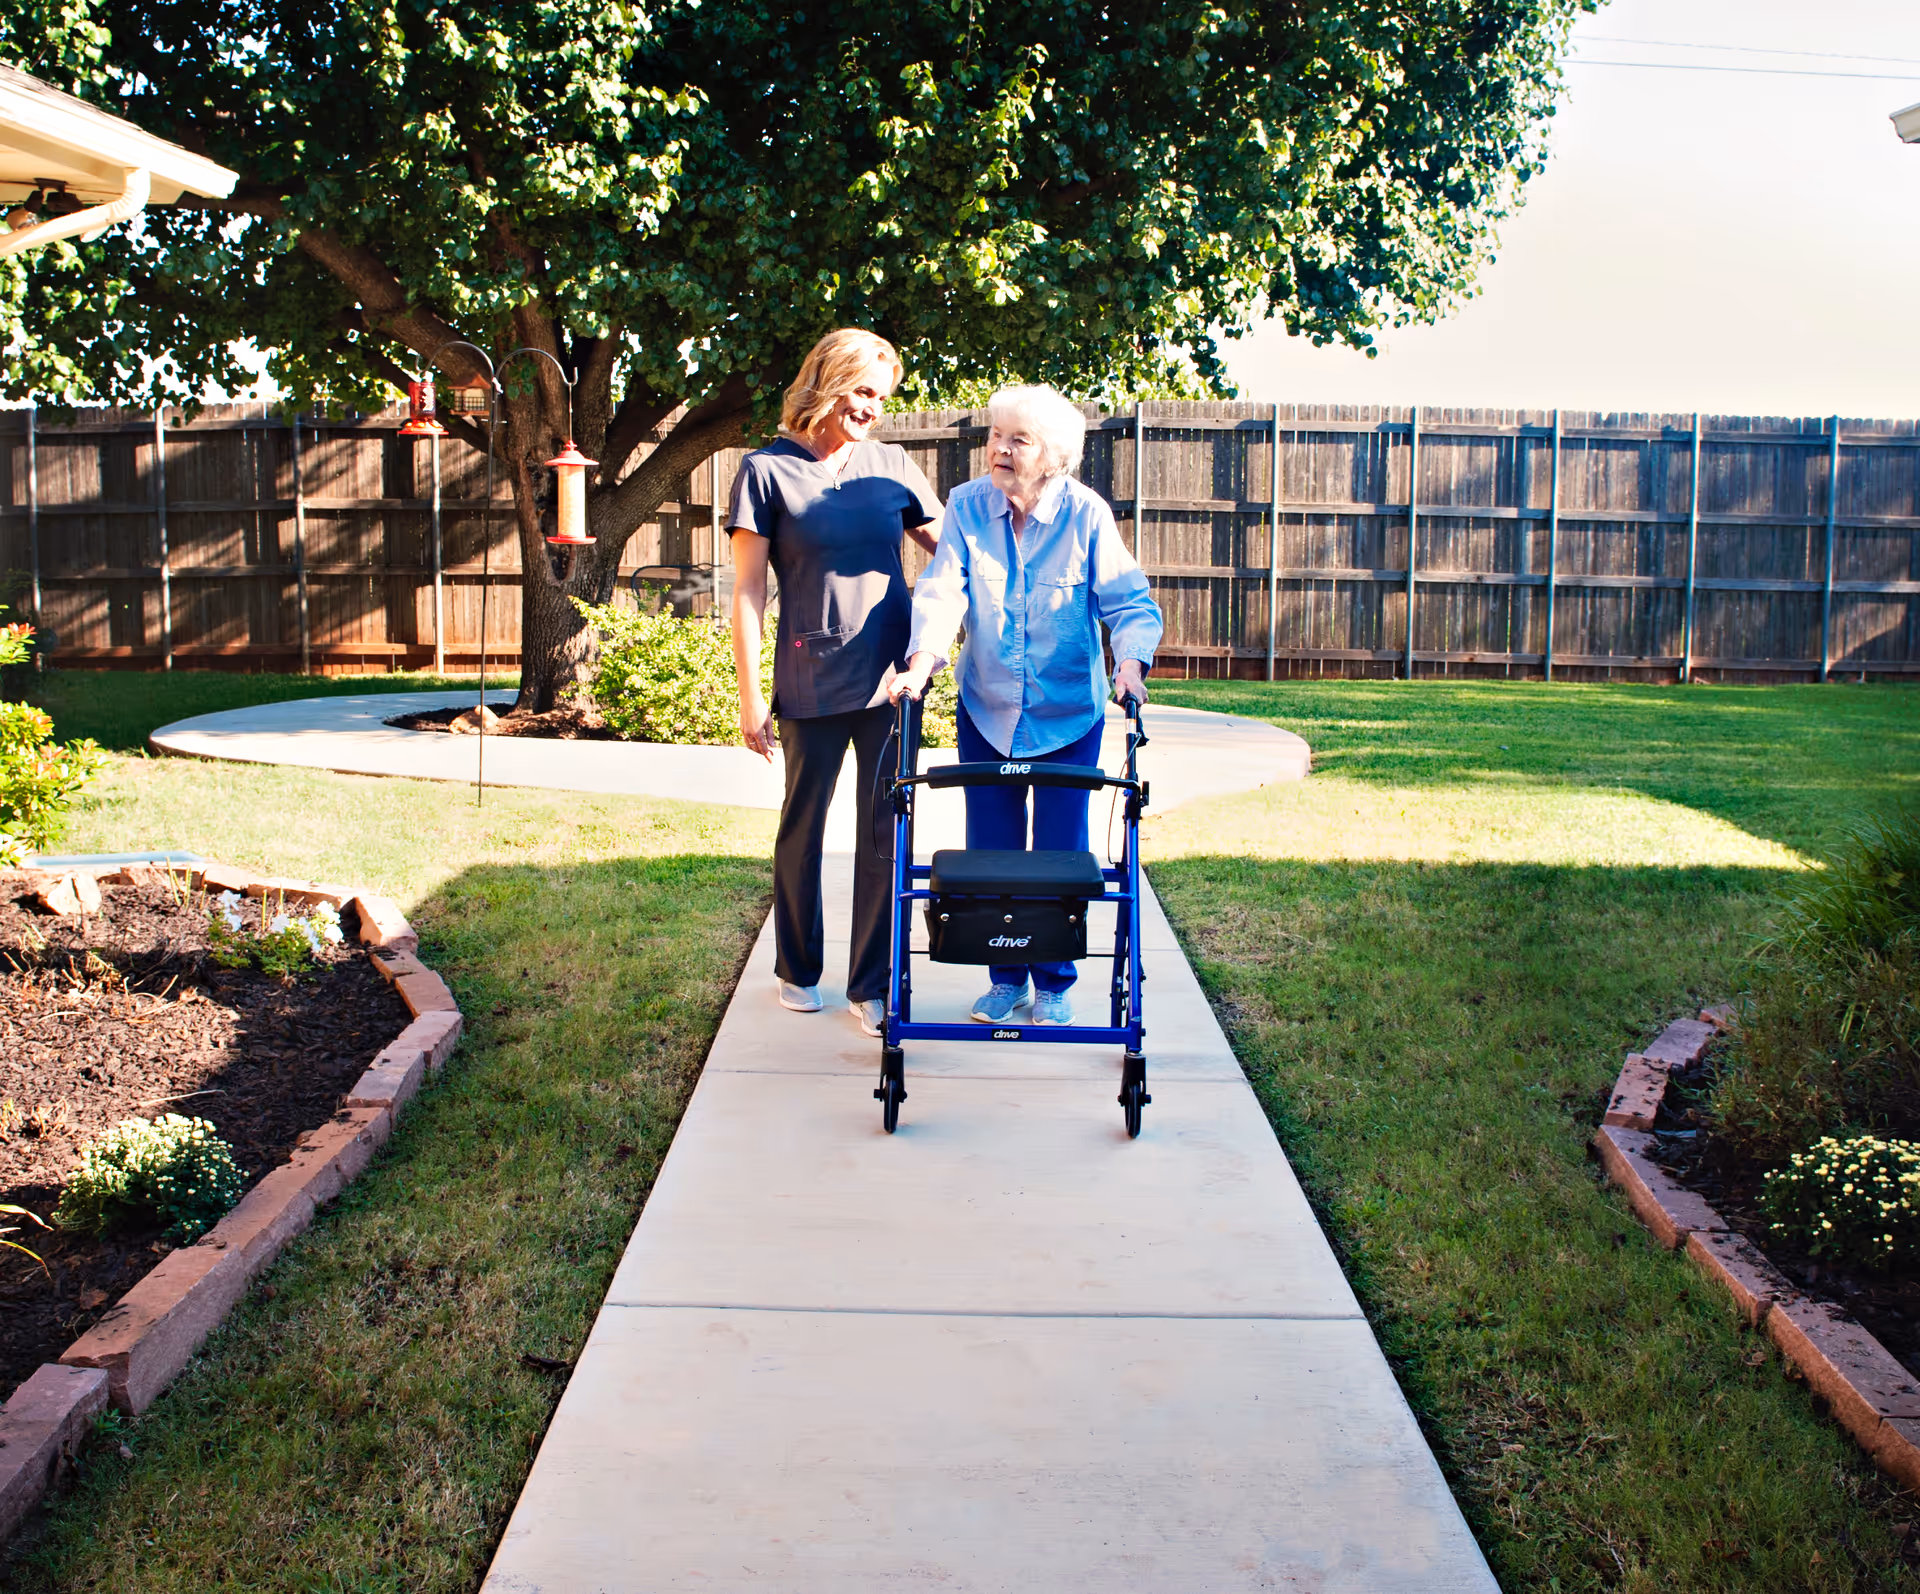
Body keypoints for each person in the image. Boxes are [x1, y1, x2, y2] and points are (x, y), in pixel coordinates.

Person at [889, 383, 1162, 1026]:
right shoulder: (965, 506)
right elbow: (943, 591)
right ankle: (1005, 977)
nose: (999, 449)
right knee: (991, 850)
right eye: (995, 435)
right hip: (986, 707)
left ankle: (1056, 982)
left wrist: (1129, 664)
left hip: (1068, 713)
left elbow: (1127, 602)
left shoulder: (1087, 515)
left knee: (1062, 854)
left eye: (1019, 439)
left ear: (1053, 456)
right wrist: (922, 663)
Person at [729, 328, 943, 1037]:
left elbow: (956, 554)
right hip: (809, 675)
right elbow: (748, 591)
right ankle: (796, 966)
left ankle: (871, 985)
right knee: (804, 825)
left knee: (886, 828)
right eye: (862, 391)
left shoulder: (893, 466)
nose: (873, 409)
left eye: (882, 397)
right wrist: (751, 694)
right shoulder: (765, 472)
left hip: (891, 682)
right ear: (827, 381)